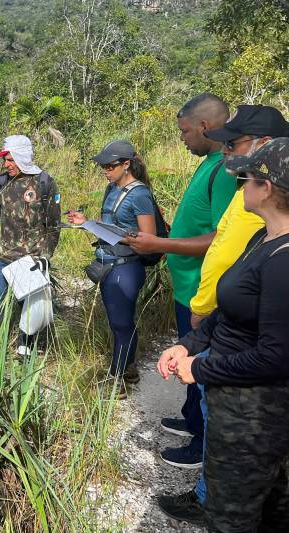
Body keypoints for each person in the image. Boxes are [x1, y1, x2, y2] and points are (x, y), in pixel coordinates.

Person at [157, 105, 289, 525]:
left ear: (266, 188)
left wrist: (204, 367)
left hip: (255, 418)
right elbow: (228, 311)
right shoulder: (260, 237)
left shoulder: (283, 260)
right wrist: (187, 344)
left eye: (246, 176)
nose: (239, 180)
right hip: (232, 404)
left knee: (234, 516)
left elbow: (276, 356)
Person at [127, 93, 235, 468]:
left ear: (205, 126)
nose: (182, 138)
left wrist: (159, 242)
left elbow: (222, 237)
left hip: (203, 293)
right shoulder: (208, 162)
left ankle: (201, 446)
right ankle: (192, 421)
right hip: (187, 287)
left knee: (202, 368)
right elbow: (200, 223)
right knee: (188, 354)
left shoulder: (224, 169)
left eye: (185, 131)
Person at [67, 141, 156, 398]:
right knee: (120, 323)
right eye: (102, 166)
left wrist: (115, 234)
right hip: (108, 264)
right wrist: (87, 224)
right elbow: (109, 226)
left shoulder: (139, 194)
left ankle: (117, 380)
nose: (105, 170)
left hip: (126, 267)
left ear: (126, 164)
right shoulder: (111, 189)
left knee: (121, 324)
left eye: (110, 166)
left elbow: (148, 237)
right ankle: (129, 370)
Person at [0, 135, 61, 355]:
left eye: (10, 159)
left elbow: (53, 224)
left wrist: (46, 256)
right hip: (3, 256)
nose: (6, 164)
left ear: (22, 157)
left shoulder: (44, 183)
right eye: (5, 160)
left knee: (28, 307)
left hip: (31, 258)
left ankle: (25, 347)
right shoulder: (2, 182)